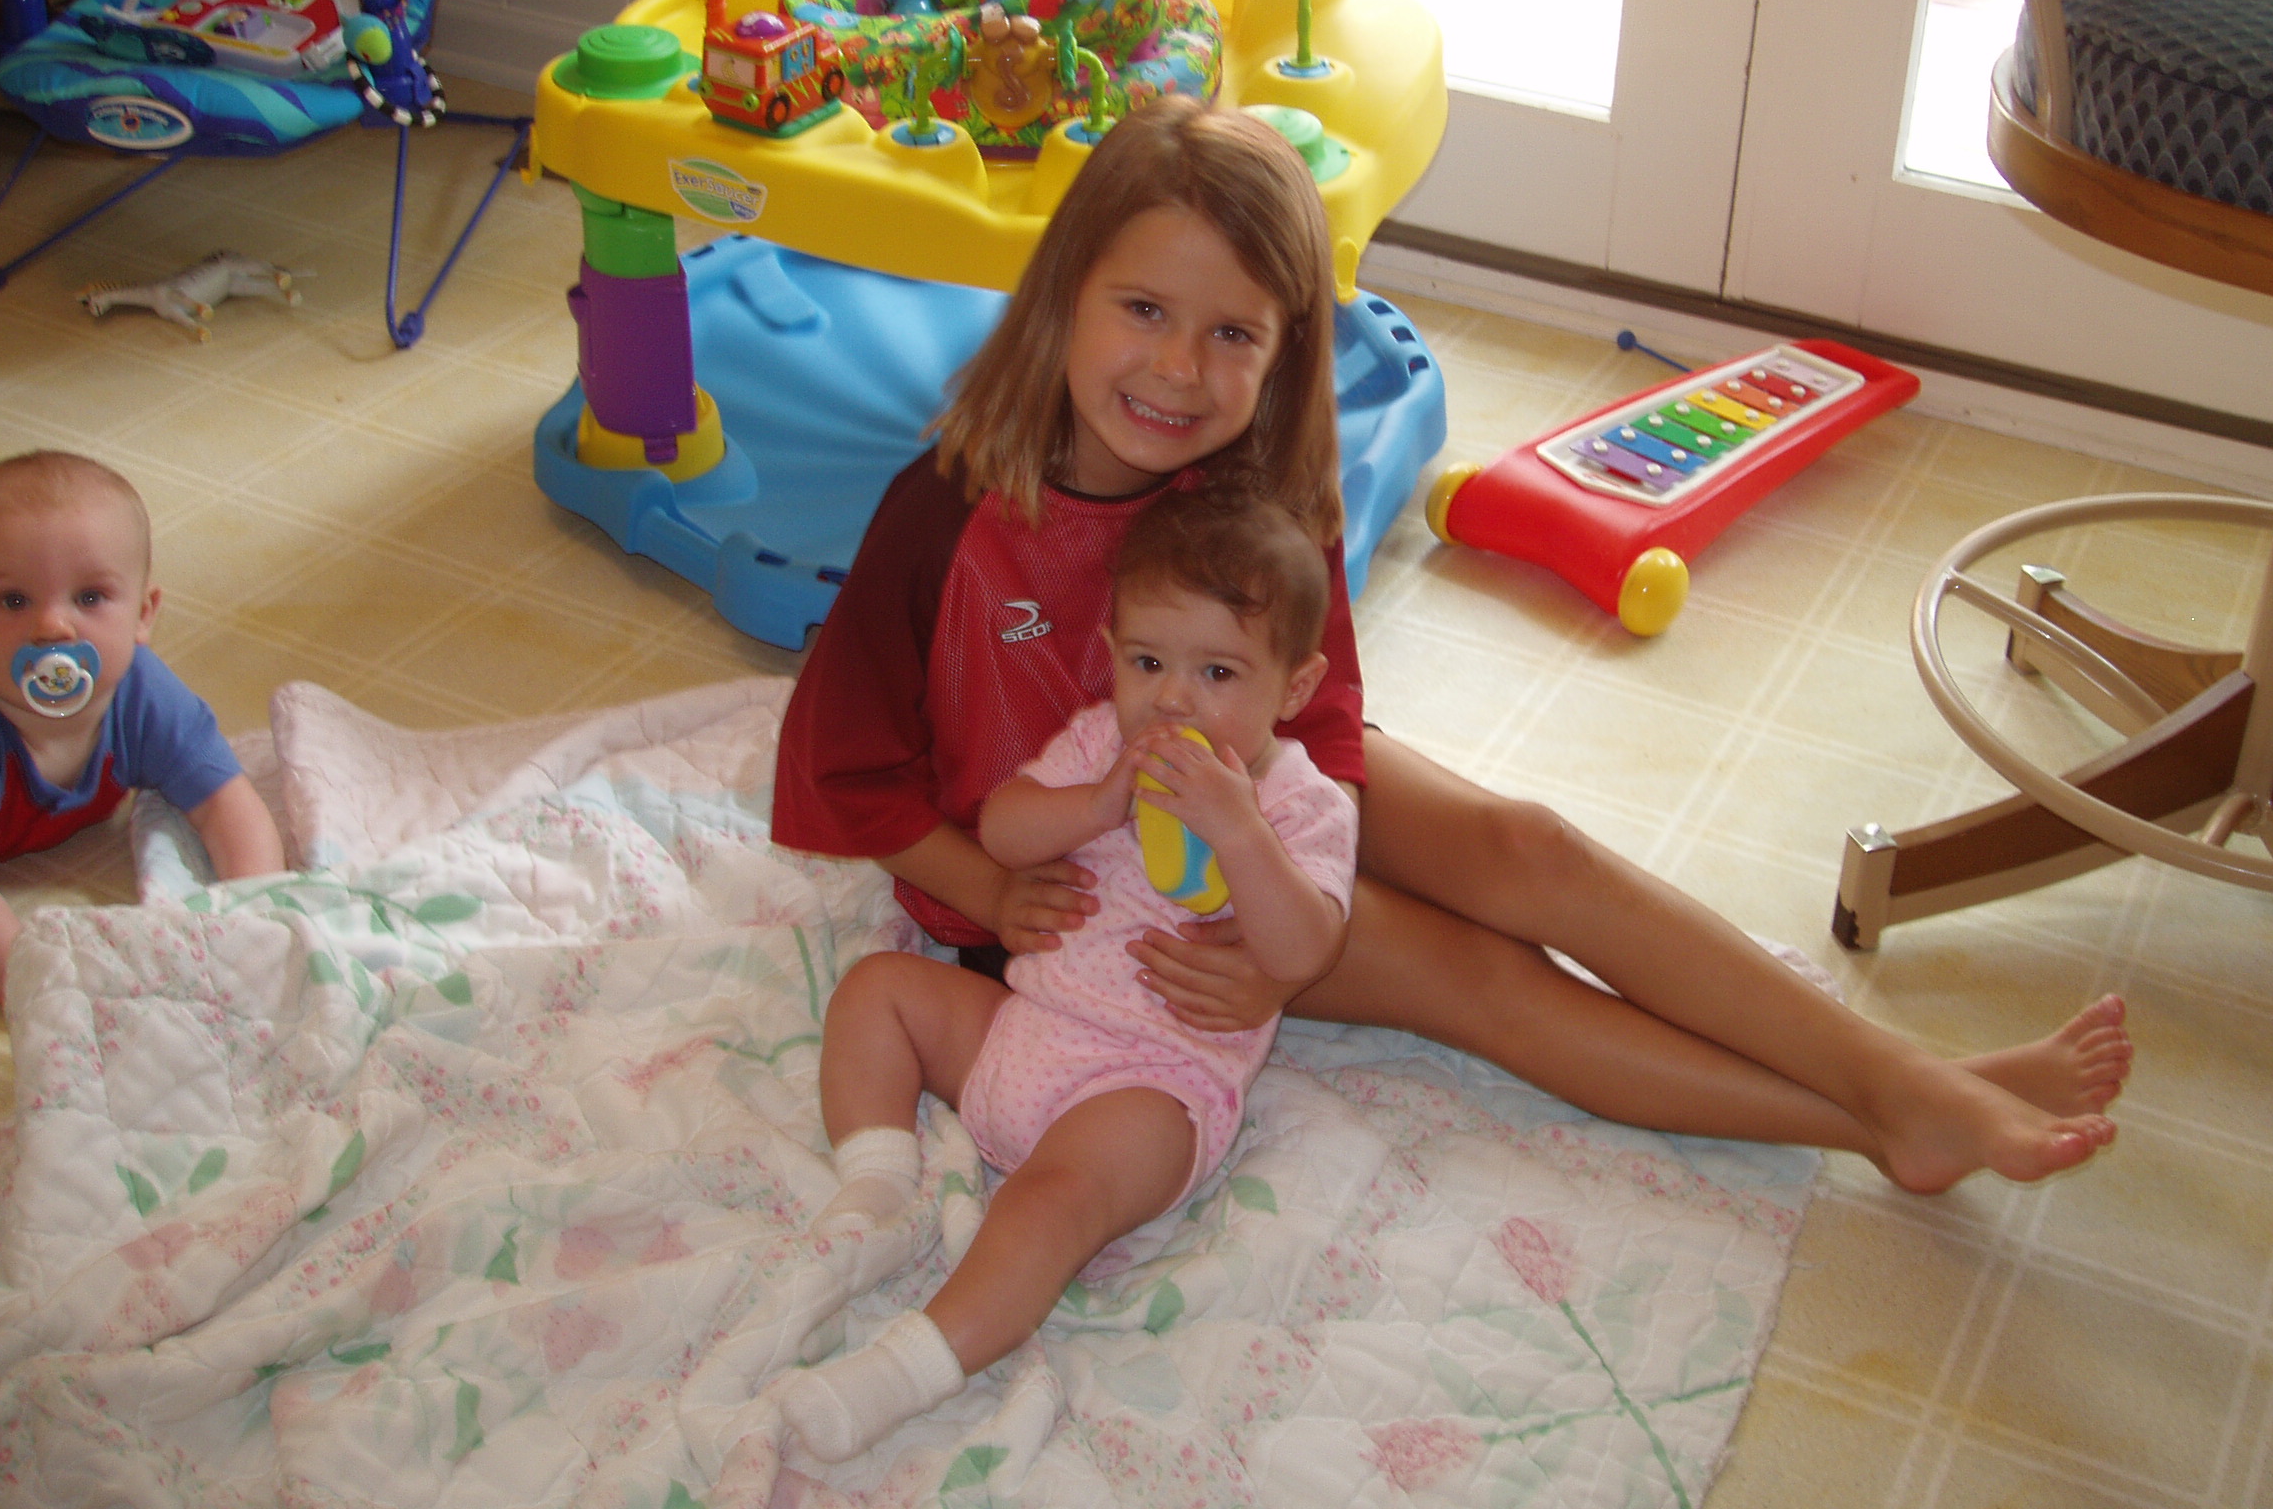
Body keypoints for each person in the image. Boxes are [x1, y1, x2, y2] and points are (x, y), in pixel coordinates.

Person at [771, 95, 2128, 1218]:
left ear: (1286, 352)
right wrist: (992, 894)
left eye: (1231, 333)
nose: (1178, 370)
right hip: (1081, 900)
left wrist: (1290, 896)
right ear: (1064, 295)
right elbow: (843, 769)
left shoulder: (1255, 501)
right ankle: (1881, 1118)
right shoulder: (946, 512)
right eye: (1142, 310)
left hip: (1251, 806)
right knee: (1481, 980)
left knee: (1530, 849)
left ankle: (1899, 1076)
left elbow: (1327, 730)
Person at [778, 486, 1356, 1461]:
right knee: (879, 989)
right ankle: (874, 1183)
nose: (1172, 699)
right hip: (1021, 1028)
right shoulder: (1100, 742)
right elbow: (1004, 829)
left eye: (1217, 672)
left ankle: (908, 1369)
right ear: (1111, 650)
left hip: (1150, 1086)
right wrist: (1094, 804)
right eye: (1146, 663)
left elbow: (1303, 950)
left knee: (1047, 1204)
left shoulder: (1303, 805)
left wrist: (1238, 831)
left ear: (1294, 687)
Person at [0, 452, 286, 1005]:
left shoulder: (145, 696)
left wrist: (253, 922)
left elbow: (226, 804)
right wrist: (46, 991)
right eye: (14, 601)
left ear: (143, 614)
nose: (52, 626)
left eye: (90, 597)